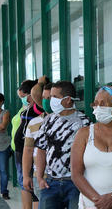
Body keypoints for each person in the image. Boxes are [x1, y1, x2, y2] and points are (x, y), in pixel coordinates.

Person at [35, 81, 91, 209]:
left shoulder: (84, 122)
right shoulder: (48, 120)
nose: (51, 101)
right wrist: (40, 178)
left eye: (55, 97)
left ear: (68, 100)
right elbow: (41, 150)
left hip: (75, 184)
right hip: (50, 184)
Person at [71, 85, 112, 209]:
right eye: (96, 103)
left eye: (103, 103)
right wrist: (101, 202)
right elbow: (76, 174)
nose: (98, 107)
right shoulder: (84, 134)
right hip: (90, 204)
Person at [22, 77, 53, 209]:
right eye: (44, 98)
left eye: (50, 98)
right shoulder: (34, 123)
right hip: (40, 177)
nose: (47, 101)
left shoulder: (73, 122)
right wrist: (25, 176)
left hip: (66, 178)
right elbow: (28, 151)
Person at [14, 79, 44, 209]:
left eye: (25, 96)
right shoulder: (28, 108)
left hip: (32, 153)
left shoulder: (39, 108)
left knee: (33, 189)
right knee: (24, 184)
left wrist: (39, 82)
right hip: (21, 152)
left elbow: (37, 92)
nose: (24, 99)